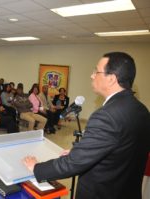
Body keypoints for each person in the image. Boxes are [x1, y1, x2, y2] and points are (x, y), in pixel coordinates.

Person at [23, 52, 150, 199]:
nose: (92, 75)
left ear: (111, 79)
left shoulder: (106, 116)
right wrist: (82, 151)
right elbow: (119, 150)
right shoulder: (141, 110)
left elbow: (72, 164)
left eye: (96, 71)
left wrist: (37, 168)